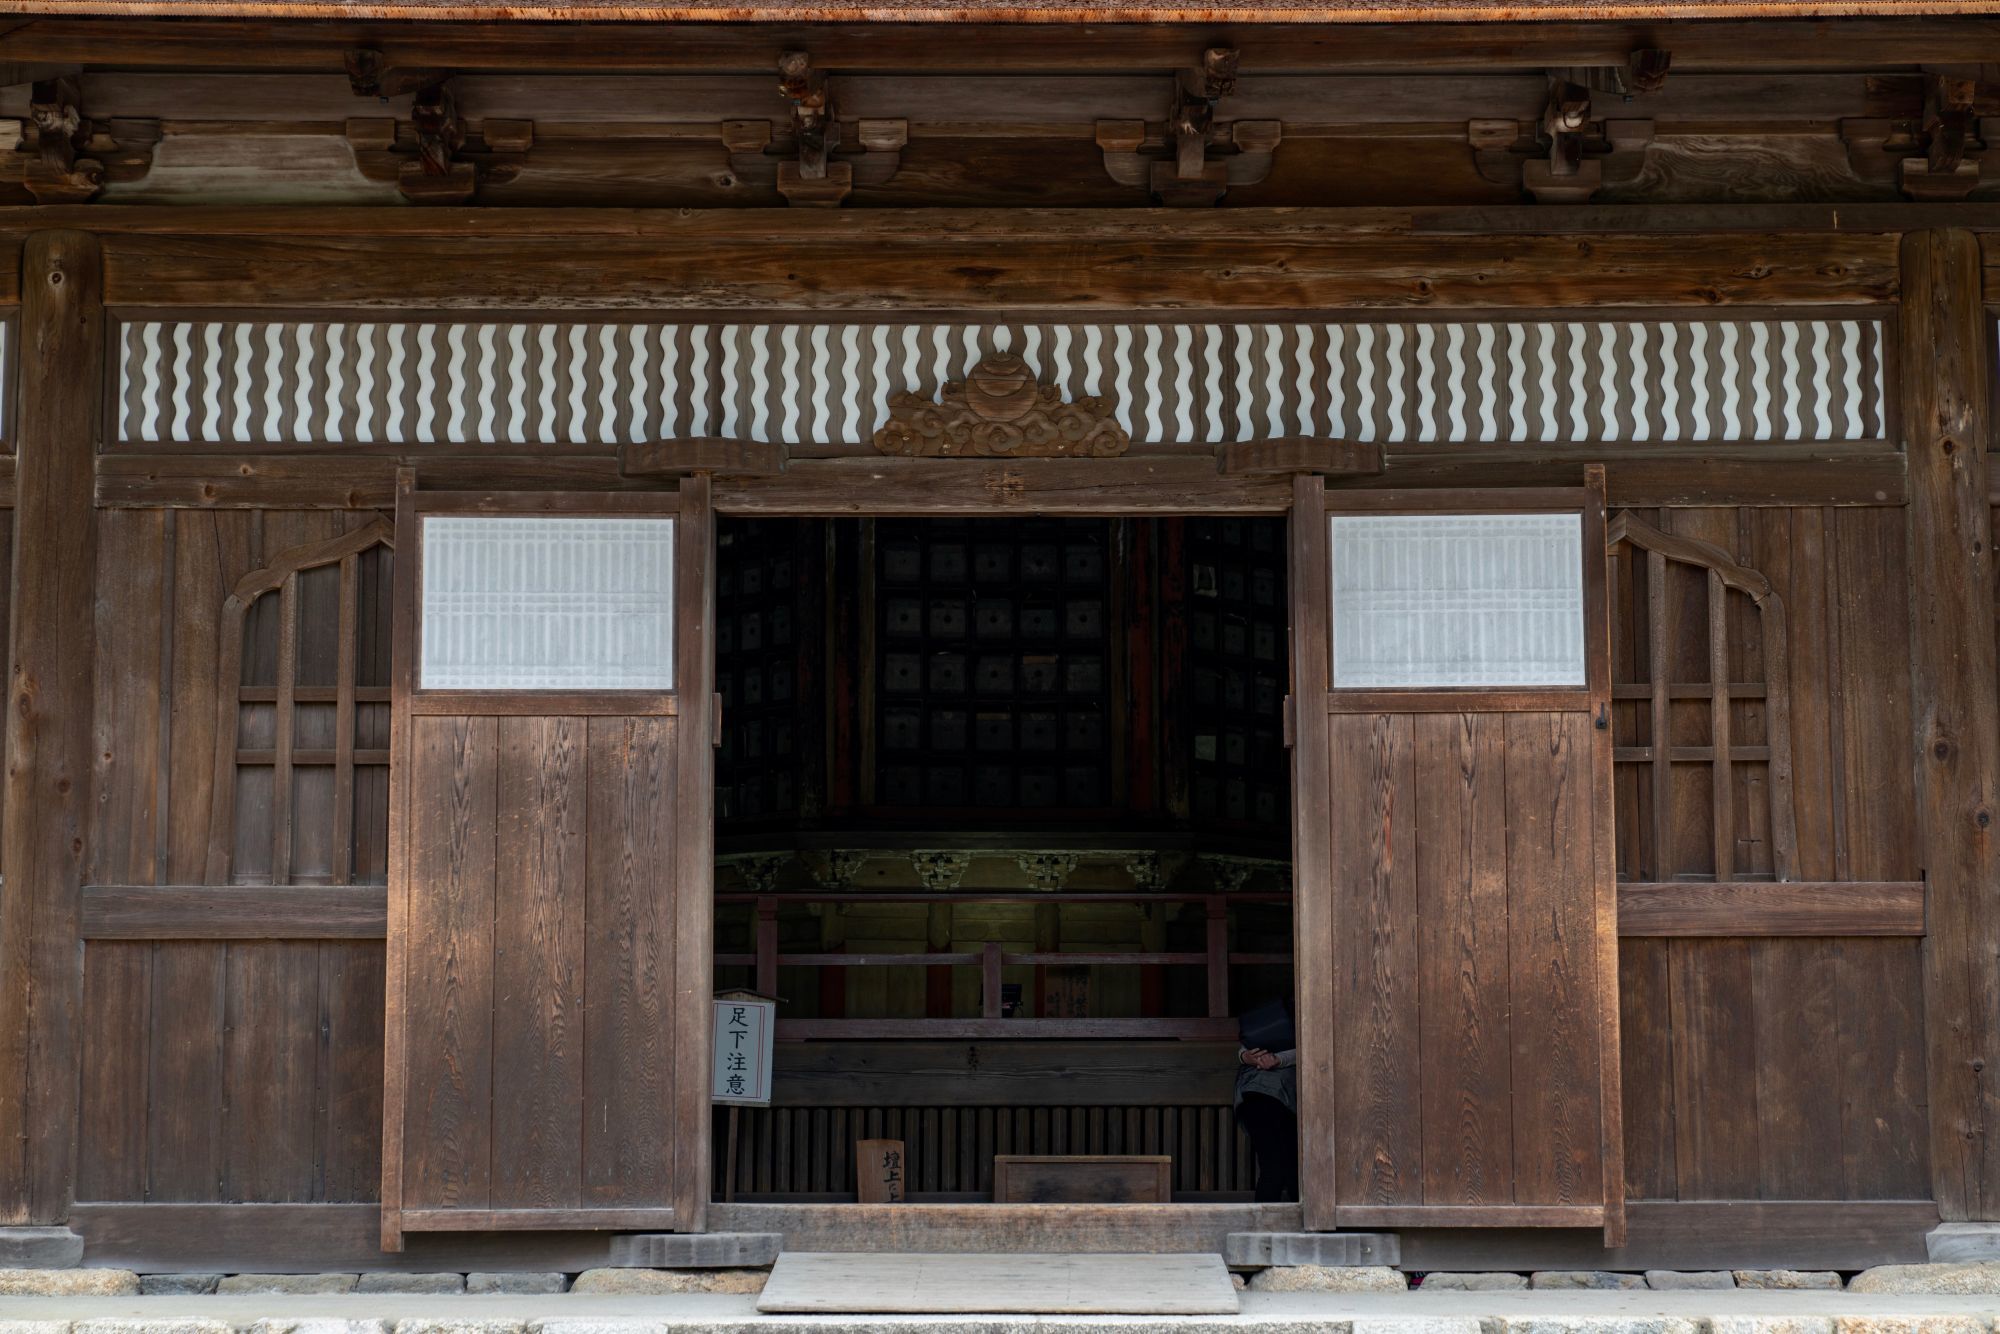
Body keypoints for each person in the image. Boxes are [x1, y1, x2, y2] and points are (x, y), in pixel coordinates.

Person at [1234, 1003, 1299, 1203]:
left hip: (1266, 1095)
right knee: (1280, 1168)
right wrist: (1246, 1056)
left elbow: (1313, 1048)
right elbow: (1249, 1044)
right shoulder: (1276, 1018)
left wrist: (1277, 1059)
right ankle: (1263, 1227)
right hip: (1265, 1096)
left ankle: (1264, 1226)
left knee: (1286, 1168)